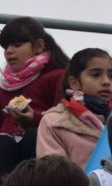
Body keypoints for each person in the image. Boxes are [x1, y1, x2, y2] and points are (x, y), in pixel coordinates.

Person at [0, 17, 69, 177]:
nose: (9, 51)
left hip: (42, 145)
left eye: (17, 45)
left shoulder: (57, 76)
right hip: (6, 147)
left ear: (38, 46)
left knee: (33, 136)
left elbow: (64, 115)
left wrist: (34, 118)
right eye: (5, 46)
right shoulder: (4, 85)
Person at [36, 48, 112, 168]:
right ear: (74, 83)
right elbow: (53, 175)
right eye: (96, 75)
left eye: (111, 76)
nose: (106, 81)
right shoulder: (54, 121)